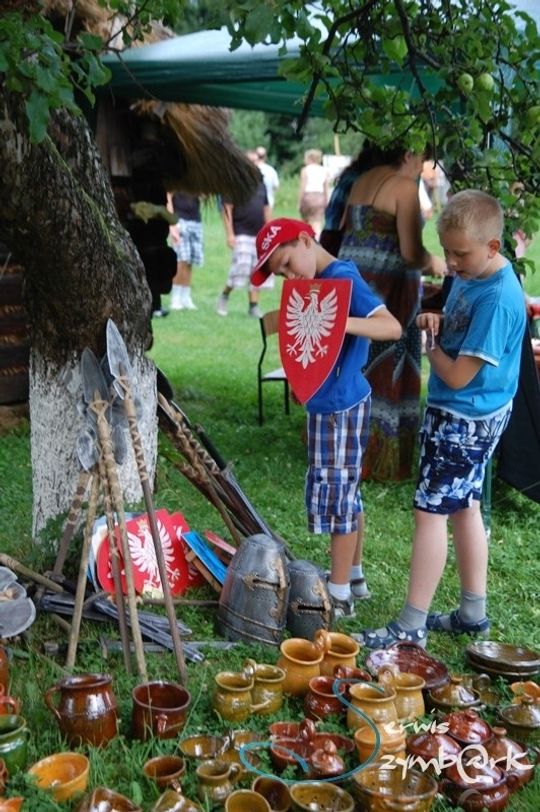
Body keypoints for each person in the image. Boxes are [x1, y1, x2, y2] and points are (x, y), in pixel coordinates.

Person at [355, 190, 527, 648]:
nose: (450, 262)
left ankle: (411, 625)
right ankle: (472, 614)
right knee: (465, 506)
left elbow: (457, 374)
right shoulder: (476, 272)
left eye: (460, 254)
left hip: (464, 419)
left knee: (429, 513)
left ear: (492, 246)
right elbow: (458, 327)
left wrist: (428, 345)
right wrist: (437, 320)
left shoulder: (498, 298)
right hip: (470, 414)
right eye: (446, 251)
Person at [250, 217, 402, 619]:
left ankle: (338, 595)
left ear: (305, 240)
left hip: (341, 405)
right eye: (280, 273)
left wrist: (340, 323)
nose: (288, 276)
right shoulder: (317, 283)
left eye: (286, 263)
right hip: (329, 402)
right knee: (348, 493)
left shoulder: (342, 277)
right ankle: (354, 577)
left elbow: (391, 326)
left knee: (338, 498)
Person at [337, 142, 446, 482]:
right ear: (408, 154)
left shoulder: (361, 179)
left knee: (355, 365)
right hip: (390, 289)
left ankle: (346, 449)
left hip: (354, 285)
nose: (422, 167)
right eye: (423, 159)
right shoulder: (403, 186)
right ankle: (380, 458)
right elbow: (412, 253)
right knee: (387, 370)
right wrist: (436, 262)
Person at [216, 151, 271, 318]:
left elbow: (266, 208)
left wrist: (270, 231)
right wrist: (230, 234)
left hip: (259, 234)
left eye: (255, 161)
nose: (253, 164)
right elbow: (227, 210)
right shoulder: (234, 184)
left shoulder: (261, 183)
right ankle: (224, 295)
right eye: (250, 161)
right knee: (240, 268)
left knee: (258, 270)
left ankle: (253, 306)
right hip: (241, 232)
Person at [167, 191, 203, 310]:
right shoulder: (175, 183)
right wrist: (172, 224)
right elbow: (168, 197)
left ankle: (185, 296)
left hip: (196, 221)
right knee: (181, 260)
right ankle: (176, 297)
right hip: (179, 220)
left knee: (189, 261)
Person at [298, 149, 329, 238]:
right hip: (320, 197)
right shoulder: (324, 170)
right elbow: (326, 188)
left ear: (309, 158)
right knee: (317, 222)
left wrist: (299, 202)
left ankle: (306, 240)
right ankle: (318, 239)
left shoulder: (305, 170)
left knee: (305, 221)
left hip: (308, 197)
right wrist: (326, 201)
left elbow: (303, 187)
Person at [255, 146, 280, 211]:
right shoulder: (271, 170)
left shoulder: (252, 169)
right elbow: (276, 186)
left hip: (254, 203)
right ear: (265, 157)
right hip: (269, 202)